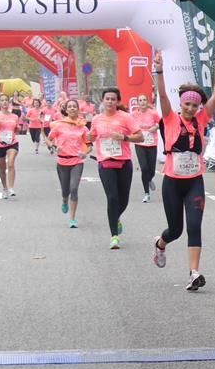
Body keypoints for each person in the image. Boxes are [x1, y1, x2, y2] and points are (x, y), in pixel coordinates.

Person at [151, 51, 215, 291]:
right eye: (187, 104)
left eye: (195, 105)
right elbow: (162, 94)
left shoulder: (201, 120)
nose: (191, 108)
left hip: (195, 181)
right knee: (175, 230)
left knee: (195, 227)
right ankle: (161, 244)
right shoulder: (170, 118)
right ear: (181, 103)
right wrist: (159, 71)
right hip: (173, 182)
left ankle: (194, 273)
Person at [86, 88, 144, 249]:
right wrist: (87, 137)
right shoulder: (97, 119)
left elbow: (140, 136)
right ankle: (114, 236)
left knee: (123, 200)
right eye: (107, 99)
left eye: (113, 99)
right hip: (105, 163)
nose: (110, 102)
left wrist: (124, 137)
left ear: (118, 101)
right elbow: (91, 136)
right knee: (112, 198)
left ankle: (115, 217)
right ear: (102, 101)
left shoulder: (126, 118)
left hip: (124, 163)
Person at [47, 100, 91, 228]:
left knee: (74, 188)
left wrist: (85, 153)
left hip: (77, 161)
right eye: (69, 107)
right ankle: (64, 200)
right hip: (62, 161)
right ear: (66, 110)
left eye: (74, 107)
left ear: (78, 110)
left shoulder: (83, 127)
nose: (72, 109)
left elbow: (89, 146)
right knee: (65, 190)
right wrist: (54, 147)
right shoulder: (59, 125)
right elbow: (49, 140)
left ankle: (72, 218)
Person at [0, 95, 22, 198]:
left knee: (11, 164)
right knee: (2, 168)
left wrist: (17, 129)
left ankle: (11, 188)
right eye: (2, 100)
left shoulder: (14, 116)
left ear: (9, 102)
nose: (5, 102)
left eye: (6, 100)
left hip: (12, 143)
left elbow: (16, 130)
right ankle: (5, 188)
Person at [131, 94, 161, 203]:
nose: (142, 102)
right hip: (140, 143)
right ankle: (146, 193)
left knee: (151, 169)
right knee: (144, 168)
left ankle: (149, 179)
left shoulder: (153, 113)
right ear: (138, 103)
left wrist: (156, 127)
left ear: (147, 102)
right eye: (140, 100)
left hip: (152, 143)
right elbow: (129, 125)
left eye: (144, 100)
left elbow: (161, 122)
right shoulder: (134, 114)